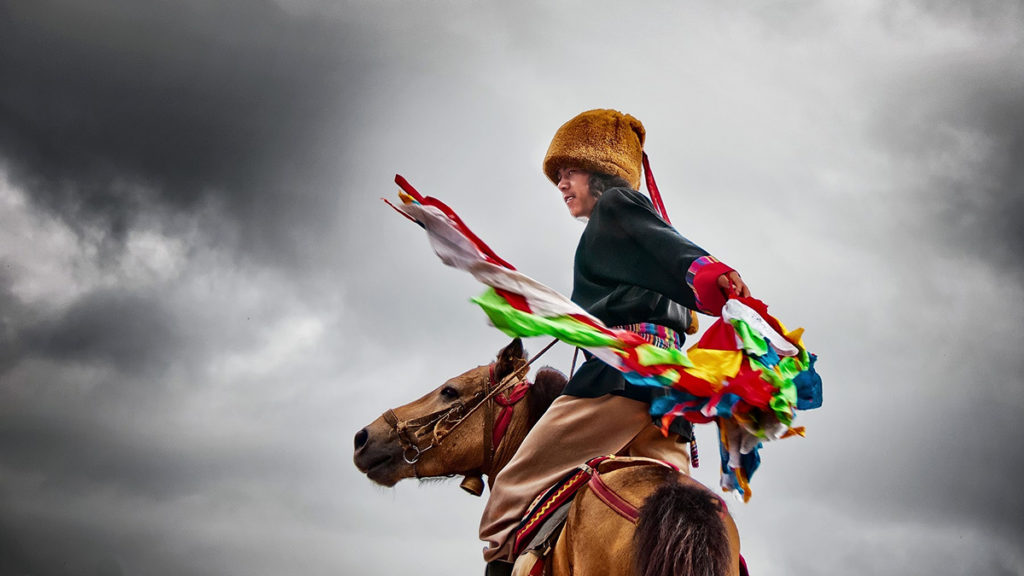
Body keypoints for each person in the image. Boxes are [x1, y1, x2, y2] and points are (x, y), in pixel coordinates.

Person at [478, 109, 749, 575]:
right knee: (685, 509)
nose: (561, 185)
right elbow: (673, 271)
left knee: (509, 491)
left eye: (569, 173)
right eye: (558, 177)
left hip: (618, 378)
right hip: (668, 397)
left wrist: (708, 269)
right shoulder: (635, 240)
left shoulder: (616, 207)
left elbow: (672, 249)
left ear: (598, 168)